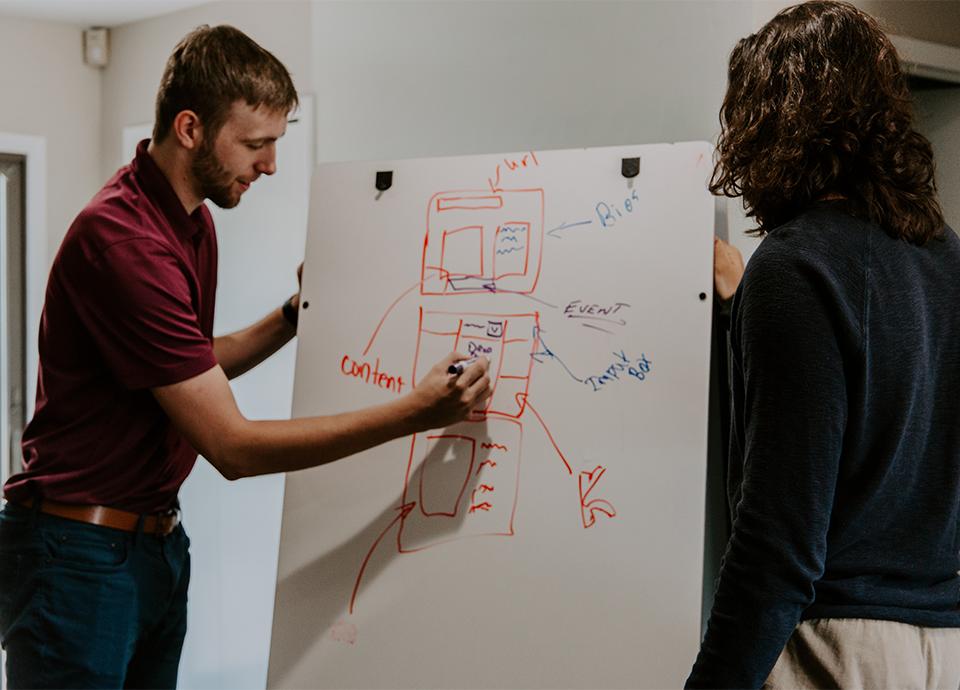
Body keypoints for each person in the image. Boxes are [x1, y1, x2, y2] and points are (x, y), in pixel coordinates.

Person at [0, 25, 490, 689]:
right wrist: (417, 412)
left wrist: (294, 316)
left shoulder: (190, 221)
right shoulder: (124, 242)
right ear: (191, 128)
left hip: (152, 546)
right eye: (256, 144)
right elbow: (232, 448)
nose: (270, 166)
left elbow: (191, 365)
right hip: (78, 556)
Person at [687, 2, 960, 687]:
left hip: (837, 651)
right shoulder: (948, 259)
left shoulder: (796, 267)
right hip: (943, 647)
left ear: (769, 123)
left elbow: (778, 543)